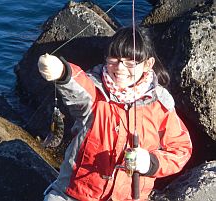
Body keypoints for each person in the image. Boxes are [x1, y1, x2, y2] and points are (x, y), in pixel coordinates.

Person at [38, 26, 192, 201]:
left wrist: (150, 162)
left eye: (130, 62)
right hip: (74, 194)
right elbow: (79, 86)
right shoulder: (95, 92)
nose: (120, 67)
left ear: (148, 64)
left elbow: (181, 149)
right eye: (114, 58)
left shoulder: (161, 103)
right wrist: (62, 72)